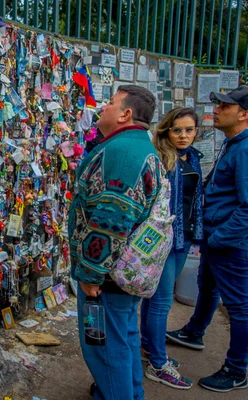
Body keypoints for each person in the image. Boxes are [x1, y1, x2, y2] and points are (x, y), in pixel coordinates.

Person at [69, 85, 163, 400]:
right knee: (123, 340)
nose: (103, 108)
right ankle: (130, 393)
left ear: (125, 114)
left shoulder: (123, 153)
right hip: (121, 274)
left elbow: (112, 220)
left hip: (108, 277)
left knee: (106, 349)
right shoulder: (136, 146)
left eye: (110, 103)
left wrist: (91, 275)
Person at [166, 85, 248, 393]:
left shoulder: (244, 149)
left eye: (224, 107)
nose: (215, 109)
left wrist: (220, 239)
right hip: (218, 236)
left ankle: (237, 369)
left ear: (243, 114)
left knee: (239, 306)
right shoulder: (234, 143)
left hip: (231, 243)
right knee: (208, 286)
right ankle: (195, 331)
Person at [139, 107, 203, 390]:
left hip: (184, 237)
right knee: (162, 301)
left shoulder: (193, 158)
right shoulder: (161, 159)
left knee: (154, 299)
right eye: (177, 130)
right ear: (166, 130)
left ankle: (147, 345)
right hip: (164, 240)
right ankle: (158, 362)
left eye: (189, 130)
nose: (184, 135)